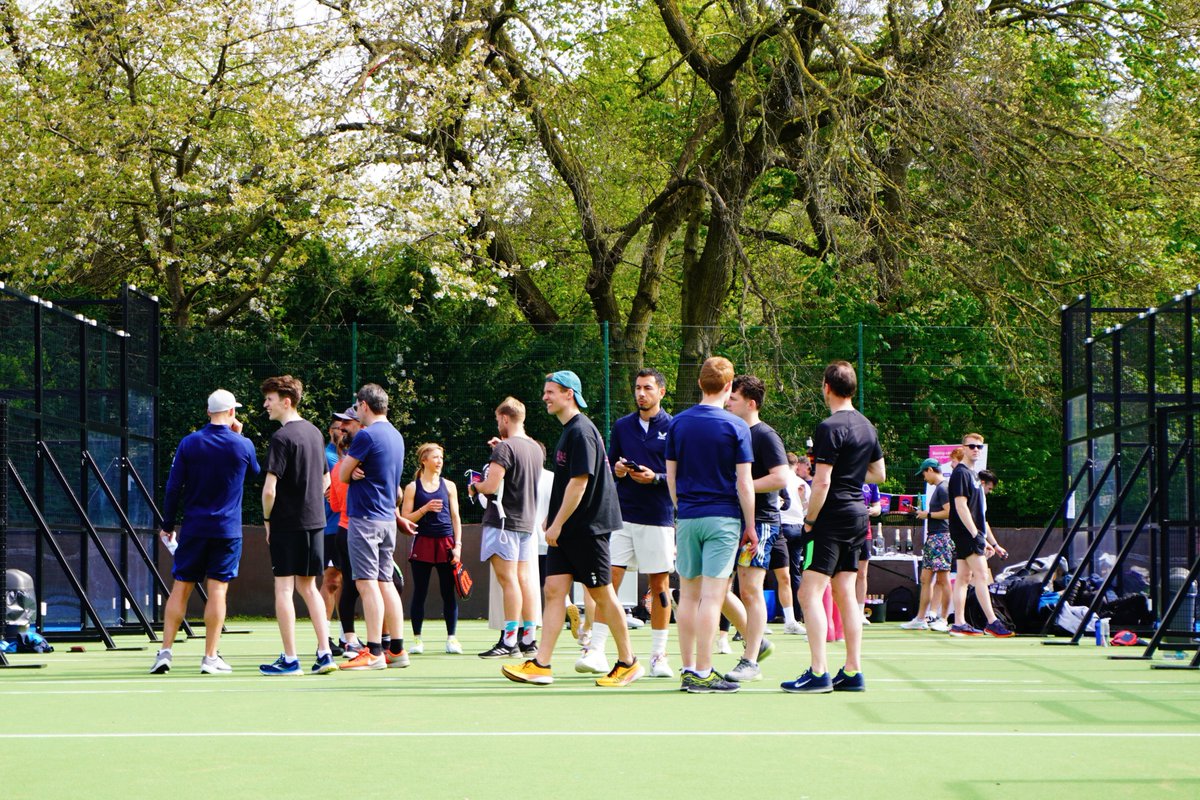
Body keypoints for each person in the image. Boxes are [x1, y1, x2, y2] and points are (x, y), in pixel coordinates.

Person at [502, 371, 642, 687]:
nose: (544, 397)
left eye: (550, 391)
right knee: (553, 590)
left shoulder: (581, 431)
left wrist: (557, 523)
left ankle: (628, 662)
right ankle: (541, 664)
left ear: (569, 394)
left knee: (602, 593)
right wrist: (553, 520)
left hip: (588, 529)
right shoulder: (568, 431)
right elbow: (568, 484)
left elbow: (580, 484)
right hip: (567, 530)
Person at [782, 361, 885, 694]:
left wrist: (809, 520)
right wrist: (850, 473)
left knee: (808, 592)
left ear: (826, 387)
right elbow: (879, 474)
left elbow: (822, 481)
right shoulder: (867, 426)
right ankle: (853, 670)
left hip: (831, 517)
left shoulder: (829, 427)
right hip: (857, 516)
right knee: (845, 593)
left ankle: (819, 671)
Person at [151, 389, 260, 675]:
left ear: (208, 412)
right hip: (226, 531)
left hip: (194, 528)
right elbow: (256, 474)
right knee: (218, 590)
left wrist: (167, 524)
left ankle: (165, 652)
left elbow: (173, 487)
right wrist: (240, 436)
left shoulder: (189, 443)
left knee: (181, 586)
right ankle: (210, 657)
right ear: (232, 412)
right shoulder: (243, 445)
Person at [665, 356, 755, 694]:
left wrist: (682, 508)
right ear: (729, 387)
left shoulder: (678, 423)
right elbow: (744, 483)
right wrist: (750, 524)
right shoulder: (737, 426)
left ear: (700, 384)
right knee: (712, 598)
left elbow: (671, 477)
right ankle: (703, 671)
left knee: (688, 596)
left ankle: (689, 669)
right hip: (723, 518)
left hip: (688, 516)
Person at [258, 375, 336, 676]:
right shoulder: (315, 433)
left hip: (287, 524)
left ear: (286, 401)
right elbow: (326, 480)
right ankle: (325, 653)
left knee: (284, 587)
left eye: (270, 399)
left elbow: (269, 490)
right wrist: (308, 501)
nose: (266, 405)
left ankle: (290, 659)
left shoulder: (281, 438)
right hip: (314, 523)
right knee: (309, 587)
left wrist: (268, 519)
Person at [338, 383, 419, 670]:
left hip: (365, 518)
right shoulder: (396, 435)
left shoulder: (366, 435)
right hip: (386, 519)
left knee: (366, 582)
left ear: (364, 405)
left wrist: (353, 472)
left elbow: (343, 475)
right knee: (385, 582)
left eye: (356, 406)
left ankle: (373, 651)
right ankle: (396, 649)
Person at [604, 368, 677, 678]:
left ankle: (658, 656)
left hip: (658, 516)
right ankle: (596, 649)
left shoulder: (674, 427)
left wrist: (655, 478)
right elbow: (610, 463)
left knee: (659, 586)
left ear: (661, 392)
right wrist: (619, 469)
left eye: (647, 388)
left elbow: (681, 472)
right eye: (637, 388)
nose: (641, 393)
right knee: (608, 582)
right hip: (622, 516)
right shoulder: (622, 426)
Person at [721, 374, 789, 683]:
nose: (728, 402)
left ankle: (750, 661)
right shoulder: (732, 432)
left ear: (750, 403)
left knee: (750, 590)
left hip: (760, 523)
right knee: (716, 591)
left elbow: (780, 478)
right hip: (729, 521)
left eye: (733, 398)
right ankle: (756, 640)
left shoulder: (765, 435)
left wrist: (744, 486)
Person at [472, 397, 546, 659]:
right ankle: (529, 639)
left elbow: (491, 486)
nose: (498, 425)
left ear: (505, 418)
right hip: (526, 522)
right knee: (525, 579)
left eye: (498, 420)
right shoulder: (535, 448)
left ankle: (509, 641)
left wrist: (475, 486)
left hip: (503, 523)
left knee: (509, 580)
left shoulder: (504, 449)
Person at [947, 434, 1014, 637]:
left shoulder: (974, 476)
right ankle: (992, 622)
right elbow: (961, 506)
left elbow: (979, 514)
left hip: (969, 534)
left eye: (979, 446)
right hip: (966, 533)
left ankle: (959, 623)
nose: (976, 449)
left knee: (963, 577)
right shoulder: (961, 473)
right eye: (972, 446)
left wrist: (988, 540)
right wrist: (976, 534)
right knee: (982, 576)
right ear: (963, 448)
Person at [400, 443, 464, 655]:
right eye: (435, 457)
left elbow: (456, 517)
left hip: (446, 544)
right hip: (423, 543)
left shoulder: (450, 486)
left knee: (448, 593)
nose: (439, 461)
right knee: (420, 592)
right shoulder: (412, 487)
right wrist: (425, 509)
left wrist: (458, 546)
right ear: (424, 460)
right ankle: (417, 640)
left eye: (441, 457)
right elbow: (405, 518)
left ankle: (452, 639)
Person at [900, 457, 952, 632]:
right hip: (934, 537)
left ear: (930, 470)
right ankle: (920, 619)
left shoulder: (943, 488)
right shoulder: (940, 488)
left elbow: (949, 512)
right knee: (925, 579)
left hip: (941, 537)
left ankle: (944, 619)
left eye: (923, 474)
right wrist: (923, 513)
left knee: (943, 579)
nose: (924, 478)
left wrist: (927, 515)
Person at [321, 415, 346, 656]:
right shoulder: (328, 456)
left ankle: (346, 636)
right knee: (332, 580)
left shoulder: (350, 455)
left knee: (348, 582)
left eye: (345, 427)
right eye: (338, 428)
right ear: (331, 431)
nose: (342, 431)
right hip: (331, 528)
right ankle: (324, 637)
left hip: (351, 526)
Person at [778, 453, 809, 634]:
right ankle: (796, 616)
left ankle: (784, 614)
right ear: (796, 465)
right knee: (794, 572)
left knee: (777, 573)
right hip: (798, 527)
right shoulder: (801, 483)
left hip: (781, 526)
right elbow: (807, 508)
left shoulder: (777, 479)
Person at [857, 482, 882, 623]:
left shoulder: (872, 483)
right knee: (843, 573)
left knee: (862, 573)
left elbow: (878, 508)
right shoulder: (846, 475)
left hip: (864, 533)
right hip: (845, 532)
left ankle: (860, 612)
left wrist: (872, 510)